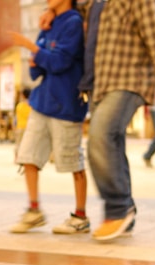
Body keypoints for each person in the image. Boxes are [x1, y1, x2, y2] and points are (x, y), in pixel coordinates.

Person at [82, 0, 155, 240]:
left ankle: (118, 209)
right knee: (112, 143)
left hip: (129, 78)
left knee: (101, 136)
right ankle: (126, 212)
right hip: (102, 82)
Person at [8, 0, 90, 235]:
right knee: (28, 156)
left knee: (72, 160)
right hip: (42, 101)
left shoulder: (73, 22)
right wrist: (37, 55)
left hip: (66, 104)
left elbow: (60, 61)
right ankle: (34, 211)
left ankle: (80, 215)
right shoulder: (49, 22)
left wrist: (31, 48)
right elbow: (38, 70)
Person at [13, 87, 32, 161]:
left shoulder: (19, 105)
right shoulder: (31, 106)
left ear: (23, 95)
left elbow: (16, 118)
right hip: (28, 127)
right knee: (28, 144)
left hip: (20, 127)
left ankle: (16, 157)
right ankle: (27, 158)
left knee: (18, 143)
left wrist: (14, 126)